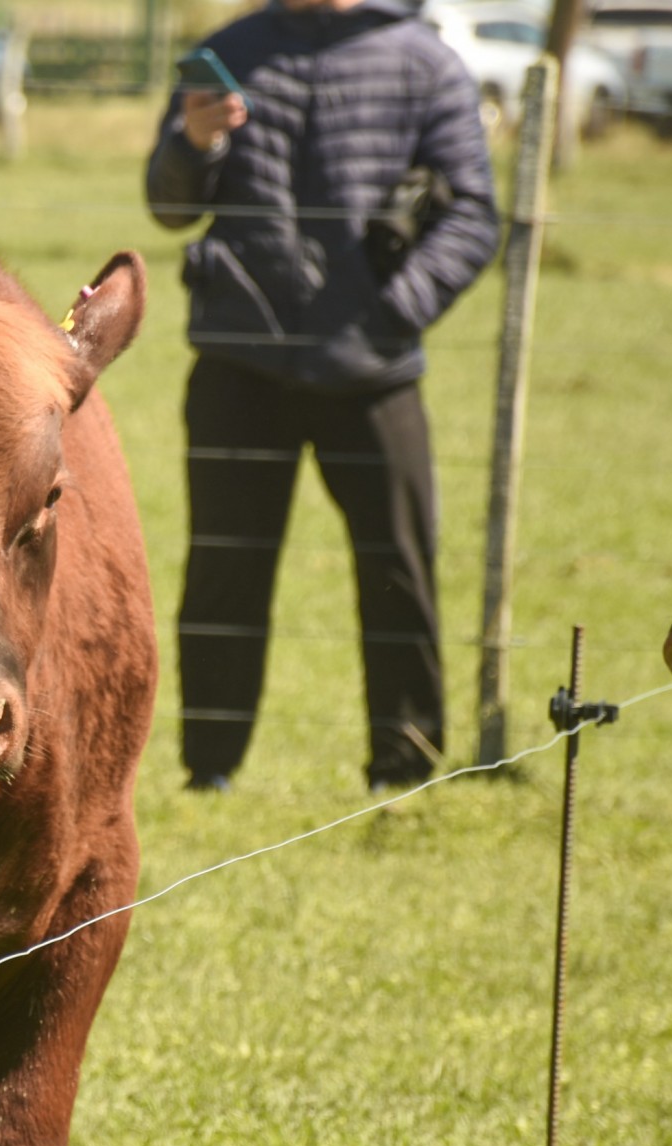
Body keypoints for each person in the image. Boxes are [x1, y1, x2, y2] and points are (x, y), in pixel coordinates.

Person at [145, 0, 500, 793]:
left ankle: (405, 770)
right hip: (241, 366)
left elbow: (474, 214)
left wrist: (394, 312)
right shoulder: (230, 51)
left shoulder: (423, 61)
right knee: (224, 572)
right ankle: (210, 769)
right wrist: (193, 144)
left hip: (374, 371)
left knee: (398, 571)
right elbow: (169, 204)